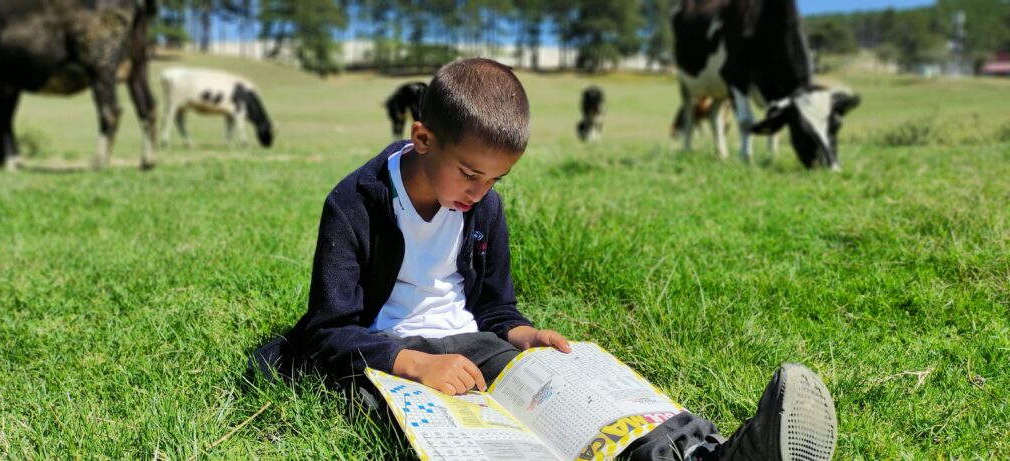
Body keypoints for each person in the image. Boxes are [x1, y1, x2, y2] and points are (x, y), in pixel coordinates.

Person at [250, 58, 837, 461]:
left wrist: (519, 332)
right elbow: (330, 330)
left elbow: (492, 305)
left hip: (470, 344)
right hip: (387, 354)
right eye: (471, 174)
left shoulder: (484, 206)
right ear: (423, 139)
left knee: (565, 385)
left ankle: (709, 452)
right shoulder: (354, 204)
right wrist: (412, 363)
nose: (480, 193)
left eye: (497, 179)